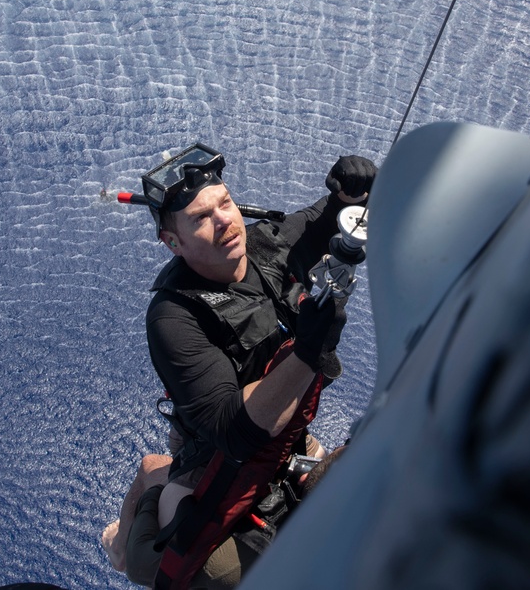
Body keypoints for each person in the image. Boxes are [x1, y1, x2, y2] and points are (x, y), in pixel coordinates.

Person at [102, 143, 376, 588]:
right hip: (214, 462)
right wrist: (306, 353)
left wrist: (352, 190)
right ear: (174, 243)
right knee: (197, 570)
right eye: (200, 218)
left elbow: (331, 215)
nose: (225, 220)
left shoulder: (269, 245)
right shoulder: (173, 318)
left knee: (375, 474)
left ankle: (155, 473)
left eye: (225, 203)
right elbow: (234, 431)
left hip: (288, 444)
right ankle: (124, 537)